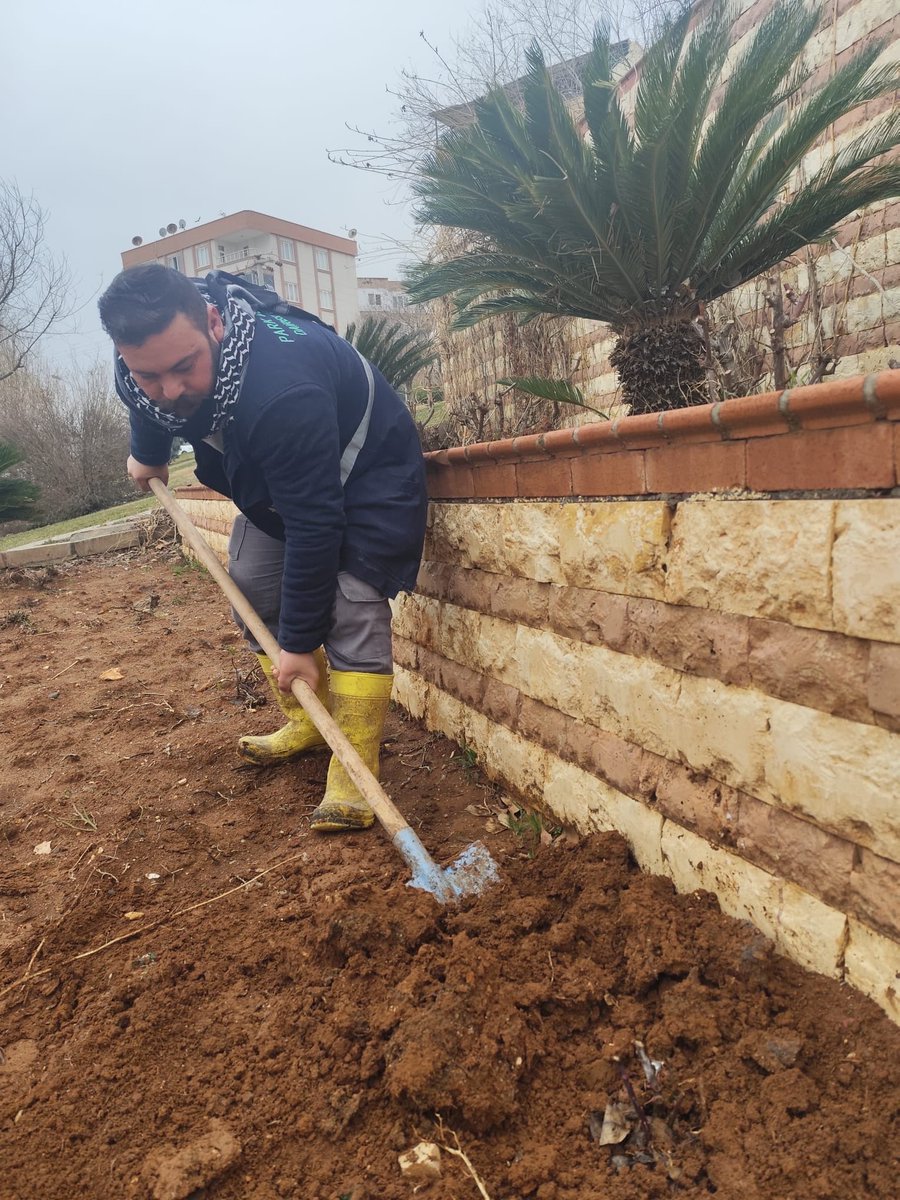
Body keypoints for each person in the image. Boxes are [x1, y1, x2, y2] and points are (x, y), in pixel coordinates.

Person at [98, 264, 427, 833]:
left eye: (184, 366)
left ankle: (354, 770)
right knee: (252, 578)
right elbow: (147, 405)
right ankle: (306, 721)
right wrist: (146, 453)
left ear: (213, 322)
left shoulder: (281, 388)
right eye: (149, 373)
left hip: (370, 476)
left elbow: (316, 525)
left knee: (350, 606)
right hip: (287, 484)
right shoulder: (144, 366)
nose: (170, 388)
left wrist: (298, 646)